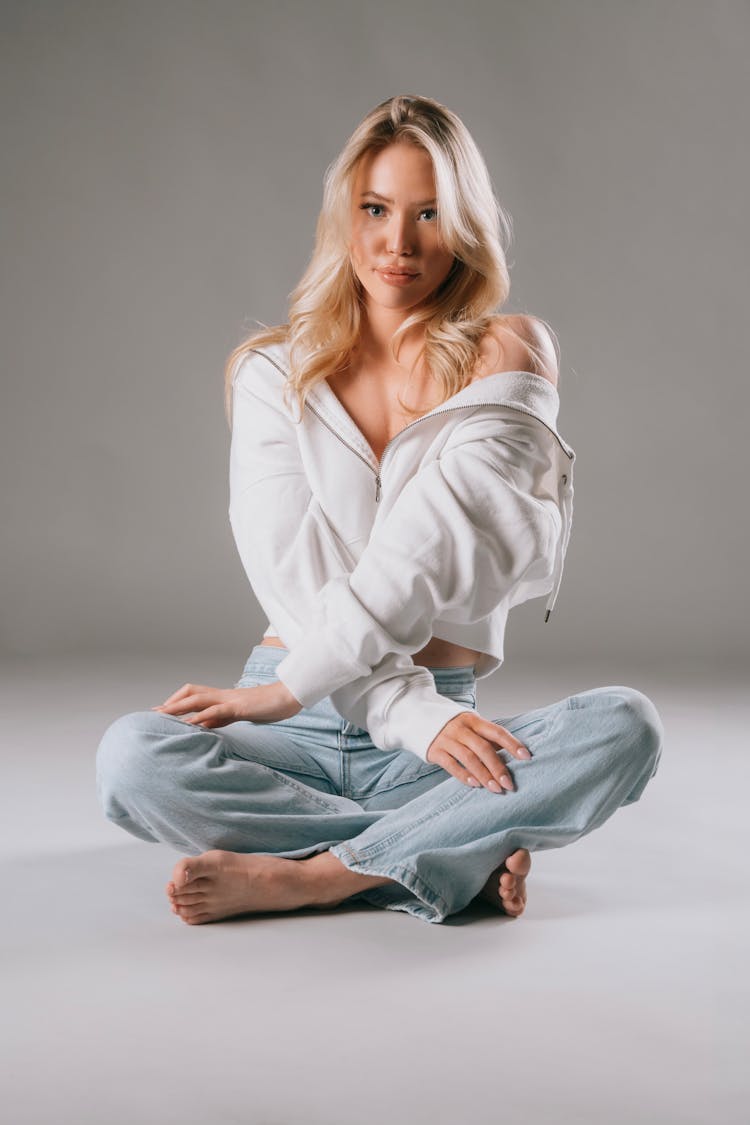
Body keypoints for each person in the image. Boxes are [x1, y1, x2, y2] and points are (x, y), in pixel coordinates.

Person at [95, 94, 663, 926]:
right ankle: (441, 850)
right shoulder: (271, 373)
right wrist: (374, 707)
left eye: (429, 213)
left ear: (464, 225)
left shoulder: (507, 351)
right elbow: (297, 571)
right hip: (294, 724)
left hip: (434, 730)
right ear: (344, 218)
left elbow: (435, 544)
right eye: (376, 209)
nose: (399, 243)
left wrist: (409, 715)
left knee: (626, 727)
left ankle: (320, 873)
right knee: (132, 759)